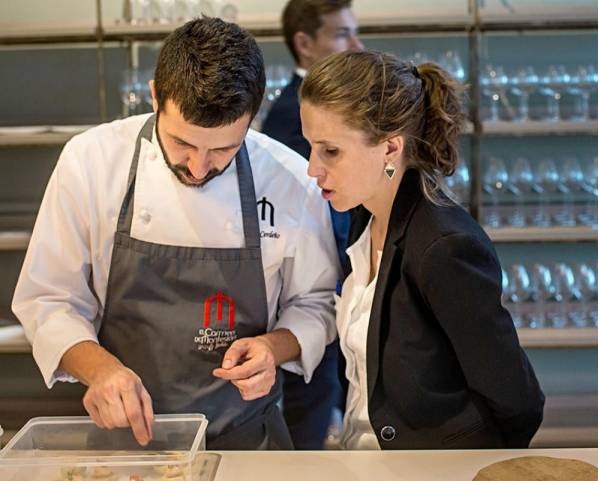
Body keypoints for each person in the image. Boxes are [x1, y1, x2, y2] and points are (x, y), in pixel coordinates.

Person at [11, 17, 340, 450]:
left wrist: (273, 349)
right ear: (154, 97)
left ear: (251, 118)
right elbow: (49, 299)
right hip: (122, 438)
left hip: (247, 440)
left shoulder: (291, 180)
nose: (199, 167)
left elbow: (316, 304)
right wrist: (100, 370)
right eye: (183, 143)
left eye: (223, 149)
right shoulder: (90, 162)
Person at [299, 50, 545, 449]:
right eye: (311, 146)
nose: (312, 167)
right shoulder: (364, 218)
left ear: (391, 148)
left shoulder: (444, 247)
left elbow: (519, 401)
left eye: (330, 151)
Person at [261, 0, 362, 450]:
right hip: (311, 292)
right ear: (304, 44)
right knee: (313, 420)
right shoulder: (291, 115)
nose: (356, 45)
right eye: (341, 34)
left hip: (333, 290)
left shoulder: (320, 106)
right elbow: (312, 220)